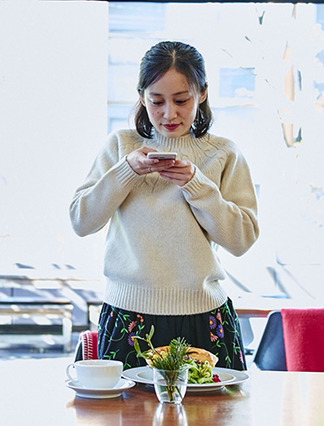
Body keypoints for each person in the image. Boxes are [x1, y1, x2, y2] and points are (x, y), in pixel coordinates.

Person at [69, 41, 259, 370]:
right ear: (141, 96)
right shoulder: (120, 146)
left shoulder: (224, 153)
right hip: (128, 317)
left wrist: (196, 185)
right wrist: (127, 170)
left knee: (213, 421)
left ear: (202, 93)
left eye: (181, 100)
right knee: (124, 421)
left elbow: (241, 240)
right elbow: (81, 221)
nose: (169, 113)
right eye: (156, 101)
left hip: (204, 317)